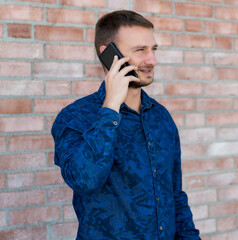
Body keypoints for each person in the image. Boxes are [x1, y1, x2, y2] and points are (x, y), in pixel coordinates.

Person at [51, 10, 201, 240]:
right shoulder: (75, 117)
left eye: (153, 49)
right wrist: (111, 106)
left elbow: (175, 196)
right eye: (140, 50)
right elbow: (85, 180)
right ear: (108, 55)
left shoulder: (161, 117)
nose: (152, 60)